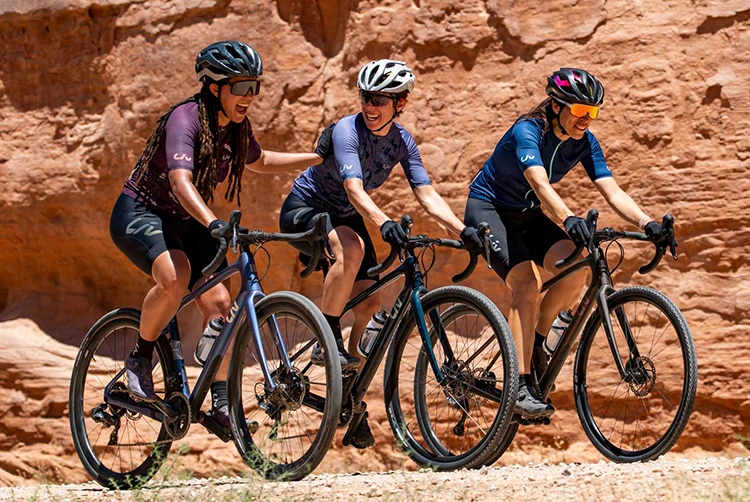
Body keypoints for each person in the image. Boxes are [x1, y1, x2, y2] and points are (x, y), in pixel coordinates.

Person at [109, 40, 326, 431]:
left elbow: (259, 161)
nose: (251, 97)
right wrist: (212, 221)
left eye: (255, 87)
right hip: (140, 212)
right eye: (242, 88)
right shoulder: (185, 118)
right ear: (215, 88)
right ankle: (140, 358)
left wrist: (316, 158)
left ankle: (222, 405)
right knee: (174, 278)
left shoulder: (236, 127)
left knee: (222, 303)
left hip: (187, 220)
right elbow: (180, 181)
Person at [279, 59, 484, 448]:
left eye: (380, 100)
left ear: (400, 103)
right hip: (305, 208)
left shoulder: (403, 142)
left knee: (371, 299)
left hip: (344, 215)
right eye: (366, 97)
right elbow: (354, 189)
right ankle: (328, 339)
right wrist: (383, 221)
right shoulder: (346, 130)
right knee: (353, 248)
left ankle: (349, 388)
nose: (370, 107)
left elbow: (426, 194)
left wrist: (463, 231)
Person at [464, 67, 674, 419]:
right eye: (579, 111)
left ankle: (537, 347)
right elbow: (540, 182)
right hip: (489, 209)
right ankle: (519, 384)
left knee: (578, 269)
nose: (586, 119)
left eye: (592, 112)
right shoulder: (527, 130)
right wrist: (567, 218)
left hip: (528, 214)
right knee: (527, 284)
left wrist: (646, 222)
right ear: (556, 105)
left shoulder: (585, 142)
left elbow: (612, 189)